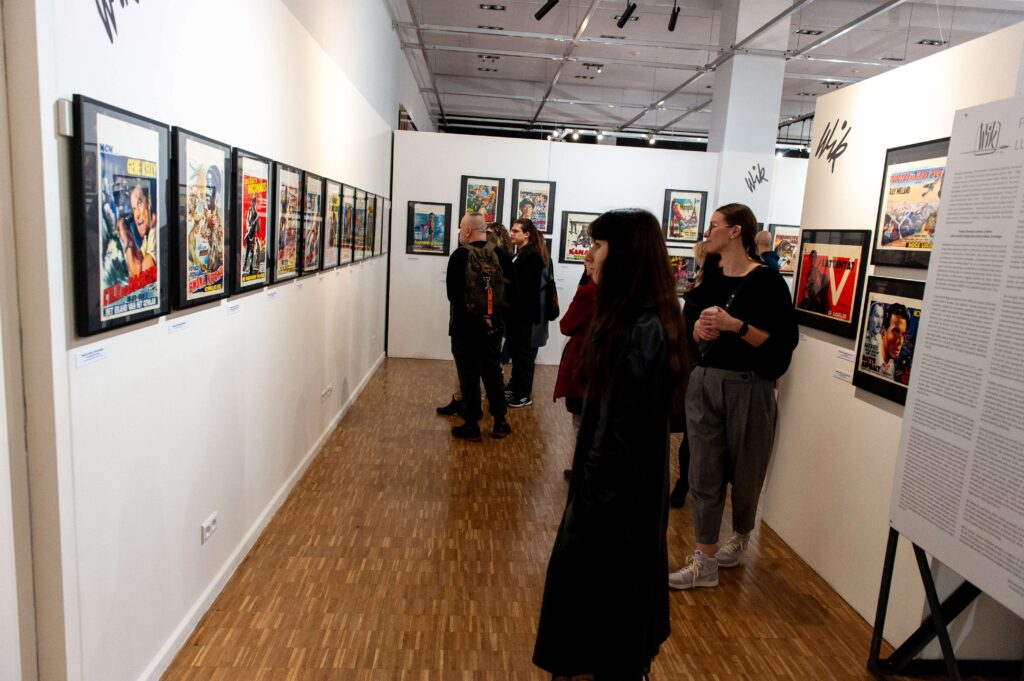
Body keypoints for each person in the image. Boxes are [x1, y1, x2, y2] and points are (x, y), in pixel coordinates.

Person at [534, 209, 688, 680]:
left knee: (602, 604)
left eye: (598, 246)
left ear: (624, 255)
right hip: (627, 497)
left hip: (614, 501)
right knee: (615, 607)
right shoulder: (639, 319)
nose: (590, 255)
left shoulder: (637, 329)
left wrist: (587, 509)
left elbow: (616, 434)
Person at [669, 203, 798, 591]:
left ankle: (740, 536)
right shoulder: (711, 279)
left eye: (714, 226)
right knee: (703, 471)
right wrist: (697, 332)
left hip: (749, 387)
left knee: (746, 471)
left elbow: (781, 346)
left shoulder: (768, 282)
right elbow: (690, 330)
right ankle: (704, 558)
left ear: (736, 231)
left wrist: (735, 326)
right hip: (705, 381)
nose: (707, 233)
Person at [445, 212, 516, 441]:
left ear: (467, 231)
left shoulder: (459, 256)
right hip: (492, 328)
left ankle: (472, 425)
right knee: (493, 373)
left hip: (464, 328)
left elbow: (453, 295)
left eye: (461, 227)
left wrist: (474, 315)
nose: (460, 232)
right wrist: (494, 317)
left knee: (469, 376)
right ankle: (500, 423)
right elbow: (512, 294)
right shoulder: (502, 255)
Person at [552, 263, 597, 480]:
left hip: (584, 362)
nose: (586, 261)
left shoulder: (589, 292)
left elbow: (566, 325)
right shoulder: (621, 290)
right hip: (602, 365)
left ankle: (584, 469)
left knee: (581, 420)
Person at [506, 218, 549, 408]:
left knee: (523, 356)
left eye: (516, 231)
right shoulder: (521, 253)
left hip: (523, 315)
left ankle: (523, 394)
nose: (512, 233)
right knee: (517, 353)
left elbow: (527, 290)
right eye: (512, 230)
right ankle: (516, 387)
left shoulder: (531, 256)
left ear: (527, 234)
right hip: (516, 315)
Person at [871, 303, 909, 380]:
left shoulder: (891, 367)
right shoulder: (871, 357)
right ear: (883, 333)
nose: (900, 342)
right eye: (895, 332)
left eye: (903, 334)